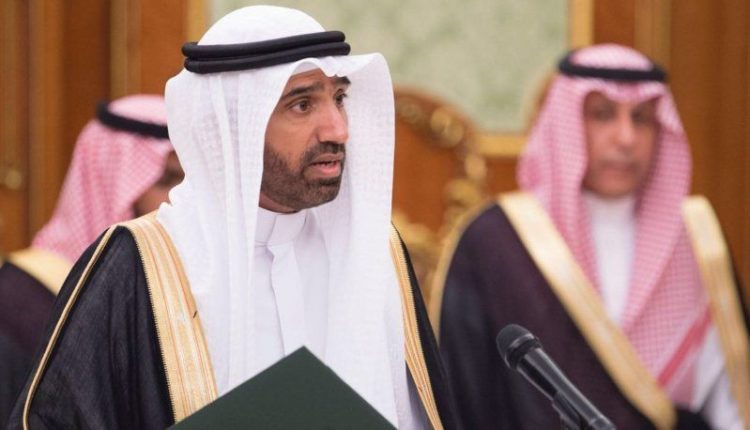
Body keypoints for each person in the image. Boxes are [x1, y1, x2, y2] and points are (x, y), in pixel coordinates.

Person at [7, 6, 456, 429]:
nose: (338, 129)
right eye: (302, 105)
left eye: (339, 98)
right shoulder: (142, 264)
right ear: (236, 125)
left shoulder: (375, 250)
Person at [432, 44, 750, 429]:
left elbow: (728, 400)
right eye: (602, 115)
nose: (626, 138)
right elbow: (465, 393)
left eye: (641, 118)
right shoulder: (497, 241)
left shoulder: (696, 237)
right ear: (564, 123)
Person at [0, 94, 181, 426]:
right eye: (167, 180)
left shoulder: (169, 292)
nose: (179, 199)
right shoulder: (14, 306)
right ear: (109, 184)